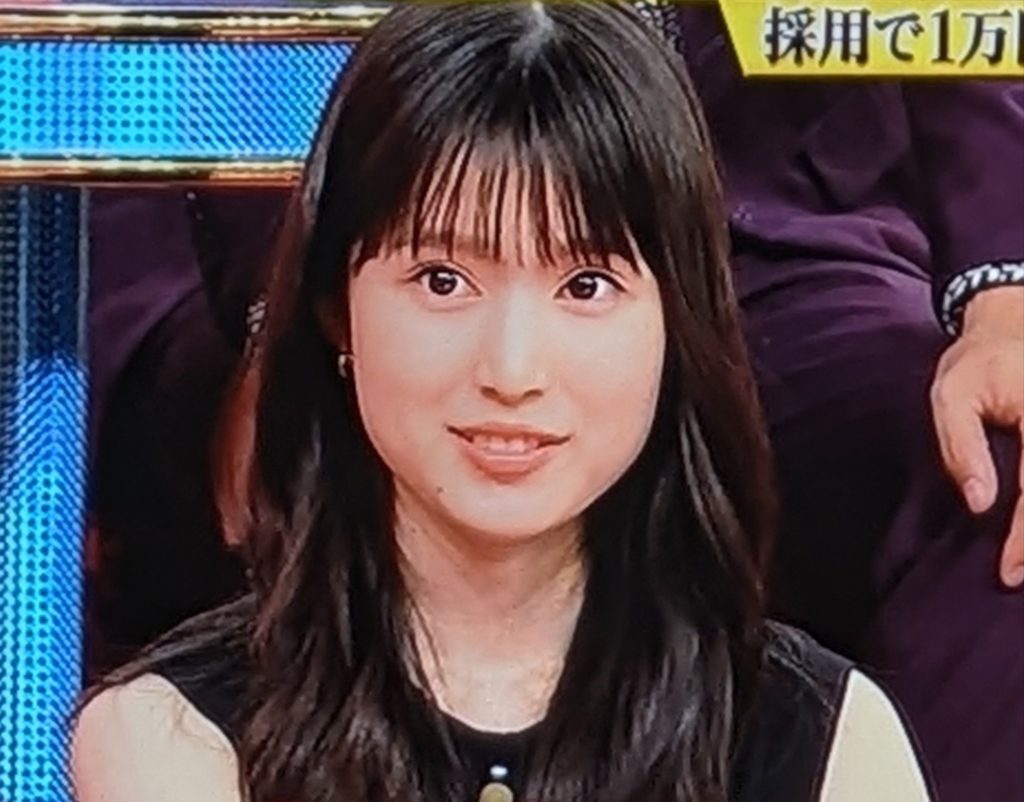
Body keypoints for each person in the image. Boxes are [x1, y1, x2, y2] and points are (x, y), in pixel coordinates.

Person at [69, 4, 930, 801]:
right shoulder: (171, 741)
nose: (512, 370)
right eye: (443, 280)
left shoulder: (832, 744)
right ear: (337, 307)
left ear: (679, 321)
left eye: (585, 285)